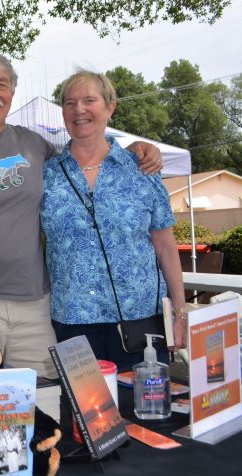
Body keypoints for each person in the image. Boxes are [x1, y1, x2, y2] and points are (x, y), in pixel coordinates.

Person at [0, 51, 162, 378]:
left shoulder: (33, 145)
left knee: (53, 399)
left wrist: (130, 152)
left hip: (35, 306)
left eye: (3, 84)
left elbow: (83, 162)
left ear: (12, 93)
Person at [40, 70, 187, 370]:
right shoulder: (46, 175)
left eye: (89, 100)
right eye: (70, 103)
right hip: (72, 323)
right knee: (81, 416)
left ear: (110, 107)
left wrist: (181, 312)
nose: (79, 110)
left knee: (144, 412)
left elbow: (166, 248)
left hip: (140, 323)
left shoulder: (142, 169)